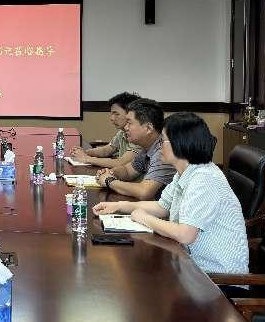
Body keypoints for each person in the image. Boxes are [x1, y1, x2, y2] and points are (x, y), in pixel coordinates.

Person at [94, 112, 248, 275]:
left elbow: (185, 235)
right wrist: (119, 206)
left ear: (180, 142)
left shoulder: (205, 178)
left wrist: (145, 218)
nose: (159, 145)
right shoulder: (185, 172)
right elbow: (162, 207)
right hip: (189, 267)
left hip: (216, 278)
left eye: (163, 140)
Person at [95, 98, 176, 200]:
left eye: (129, 123)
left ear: (148, 128)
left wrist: (109, 181)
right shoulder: (148, 147)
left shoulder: (163, 151)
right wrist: (111, 172)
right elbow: (128, 171)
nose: (126, 128)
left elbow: (144, 192)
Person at [69, 92, 142, 168]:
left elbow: (121, 163)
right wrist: (84, 152)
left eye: (116, 114)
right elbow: (106, 150)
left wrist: (86, 158)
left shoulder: (139, 135)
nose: (112, 118)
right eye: (111, 113)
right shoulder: (122, 132)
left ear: (130, 114)